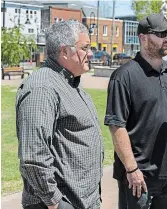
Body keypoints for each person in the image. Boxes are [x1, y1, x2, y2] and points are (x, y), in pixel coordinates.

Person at [104, 13, 167, 209]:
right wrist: (131, 168)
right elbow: (116, 125)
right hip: (139, 179)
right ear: (143, 38)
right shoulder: (124, 76)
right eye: (161, 34)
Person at [16, 20, 104, 209]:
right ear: (65, 51)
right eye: (85, 47)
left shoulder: (70, 83)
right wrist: (55, 202)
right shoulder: (42, 87)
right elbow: (33, 157)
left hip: (83, 200)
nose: (90, 53)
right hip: (60, 203)